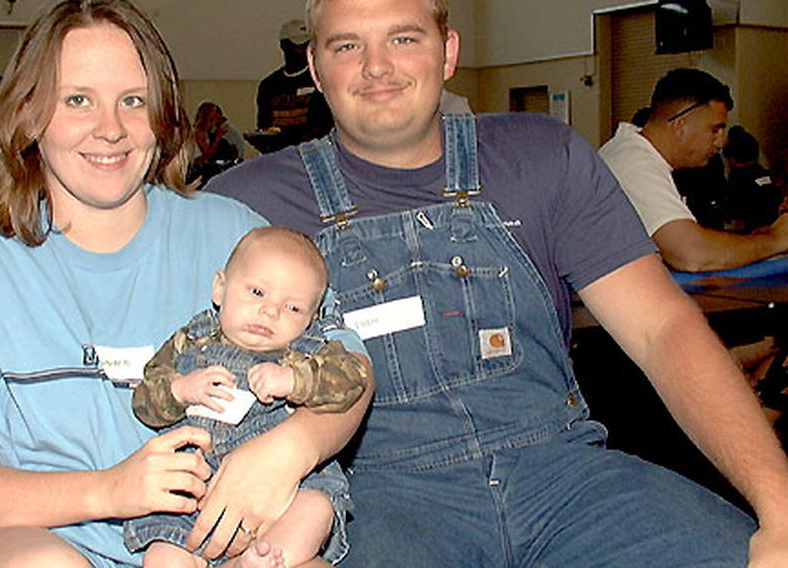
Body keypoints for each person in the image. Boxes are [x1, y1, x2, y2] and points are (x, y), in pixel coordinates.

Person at [206, 0, 788, 565]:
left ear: (448, 51)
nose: (376, 66)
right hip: (377, 504)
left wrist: (780, 508)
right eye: (347, 45)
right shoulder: (245, 205)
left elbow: (663, 329)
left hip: (566, 482)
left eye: (403, 38)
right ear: (314, 66)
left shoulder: (541, 157)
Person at [0, 2, 370, 567]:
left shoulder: (234, 235)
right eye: (77, 100)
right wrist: (110, 489)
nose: (110, 128)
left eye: (132, 101)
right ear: (29, 113)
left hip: (214, 543)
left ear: (162, 114)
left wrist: (290, 451)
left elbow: (351, 371)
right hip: (48, 539)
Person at [126, 226, 369, 567]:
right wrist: (181, 389)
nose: (270, 312)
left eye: (294, 308)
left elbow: (353, 381)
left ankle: (257, 560)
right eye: (257, 292)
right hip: (194, 486)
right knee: (162, 556)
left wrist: (296, 380)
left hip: (285, 491)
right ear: (220, 288)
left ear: (312, 319)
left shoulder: (309, 351)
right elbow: (144, 399)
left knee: (316, 509)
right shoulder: (193, 340)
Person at [599, 68, 788, 272]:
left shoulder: (631, 153)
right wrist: (776, 239)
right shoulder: (633, 164)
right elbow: (692, 254)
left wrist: (755, 242)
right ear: (681, 125)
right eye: (714, 130)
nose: (721, 142)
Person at [255, 19, 333, 149]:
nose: (305, 50)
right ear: (284, 45)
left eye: (309, 44)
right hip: (279, 157)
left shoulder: (322, 79)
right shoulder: (269, 86)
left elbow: (327, 128)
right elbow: (264, 129)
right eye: (300, 45)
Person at [722, 125, 782, 233]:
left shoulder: (738, 178)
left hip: (749, 231)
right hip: (773, 226)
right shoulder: (764, 174)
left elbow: (735, 209)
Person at [189, 101, 246, 184]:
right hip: (198, 168)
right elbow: (208, 153)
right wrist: (218, 137)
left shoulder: (210, 131)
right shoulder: (199, 132)